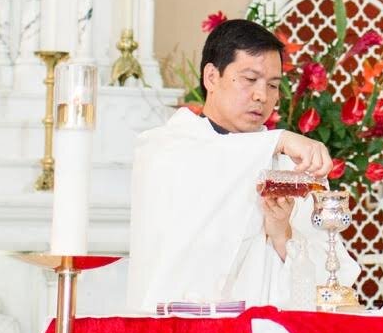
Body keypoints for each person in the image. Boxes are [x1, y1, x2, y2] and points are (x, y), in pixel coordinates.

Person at [125, 17, 359, 313]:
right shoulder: (164, 149)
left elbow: (333, 284)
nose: (262, 95)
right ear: (212, 77)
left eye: (273, 85)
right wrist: (280, 138)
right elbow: (211, 168)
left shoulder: (291, 164)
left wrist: (282, 235)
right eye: (249, 80)